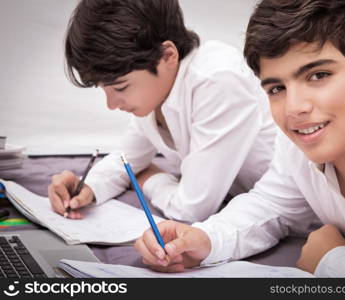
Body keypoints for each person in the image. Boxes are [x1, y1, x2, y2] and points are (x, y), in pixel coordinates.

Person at [135, 0, 345, 277]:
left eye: (318, 75)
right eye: (277, 88)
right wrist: (203, 240)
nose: (293, 108)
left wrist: (332, 261)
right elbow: (271, 206)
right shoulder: (304, 141)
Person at [47, 0, 277, 223]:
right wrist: (87, 186)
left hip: (294, 216)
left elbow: (191, 210)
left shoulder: (218, 79)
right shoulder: (157, 93)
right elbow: (127, 159)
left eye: (120, 87)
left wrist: (150, 177)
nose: (112, 104)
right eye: (104, 89)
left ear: (167, 55)